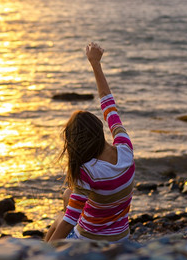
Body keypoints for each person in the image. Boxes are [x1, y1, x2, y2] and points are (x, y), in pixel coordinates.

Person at [45, 42, 135, 243]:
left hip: (91, 242)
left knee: (60, 218)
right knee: (69, 194)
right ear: (99, 131)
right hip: (121, 236)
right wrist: (95, 62)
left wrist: (47, 250)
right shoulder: (125, 146)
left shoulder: (88, 172)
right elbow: (108, 103)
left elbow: (69, 221)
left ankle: (42, 257)